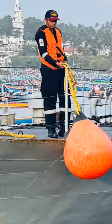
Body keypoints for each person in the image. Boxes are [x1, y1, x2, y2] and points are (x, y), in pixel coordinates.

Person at [33, 10, 70, 139]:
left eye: (55, 21)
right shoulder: (40, 33)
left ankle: (64, 126)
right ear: (46, 20)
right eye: (52, 21)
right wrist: (55, 63)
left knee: (65, 98)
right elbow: (43, 53)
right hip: (49, 69)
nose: (54, 23)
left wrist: (64, 59)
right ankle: (51, 128)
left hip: (61, 68)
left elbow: (59, 49)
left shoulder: (58, 32)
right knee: (50, 100)